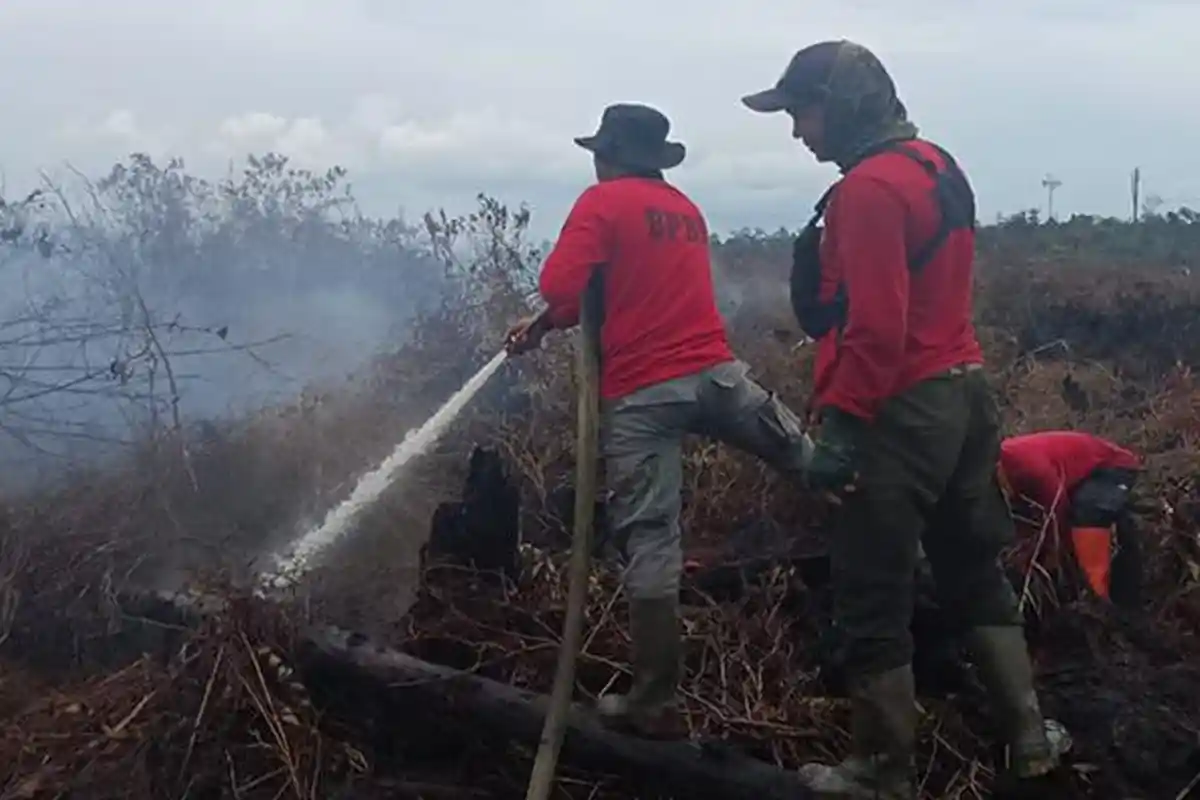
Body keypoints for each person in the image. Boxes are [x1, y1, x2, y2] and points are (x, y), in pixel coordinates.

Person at [742, 40, 1070, 796]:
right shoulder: (937, 166)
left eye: (802, 111)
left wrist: (843, 436)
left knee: (870, 586)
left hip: (899, 409)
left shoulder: (868, 191)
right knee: (970, 567)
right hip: (963, 394)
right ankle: (1029, 738)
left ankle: (883, 771)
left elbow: (878, 330)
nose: (797, 131)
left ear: (844, 103)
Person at [504, 103, 814, 737]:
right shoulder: (684, 210)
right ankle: (882, 517)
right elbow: (613, 294)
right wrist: (543, 328)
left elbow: (563, 284)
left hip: (644, 396)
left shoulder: (602, 203)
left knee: (650, 538)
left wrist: (548, 310)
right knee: (808, 458)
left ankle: (654, 700)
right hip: (718, 378)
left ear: (608, 156)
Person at [999, 430, 1144, 608]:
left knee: (1087, 514)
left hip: (1110, 467)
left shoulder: (1028, 466)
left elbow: (1058, 511)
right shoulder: (994, 472)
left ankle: (1097, 598)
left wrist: (1057, 557)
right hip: (1075, 478)